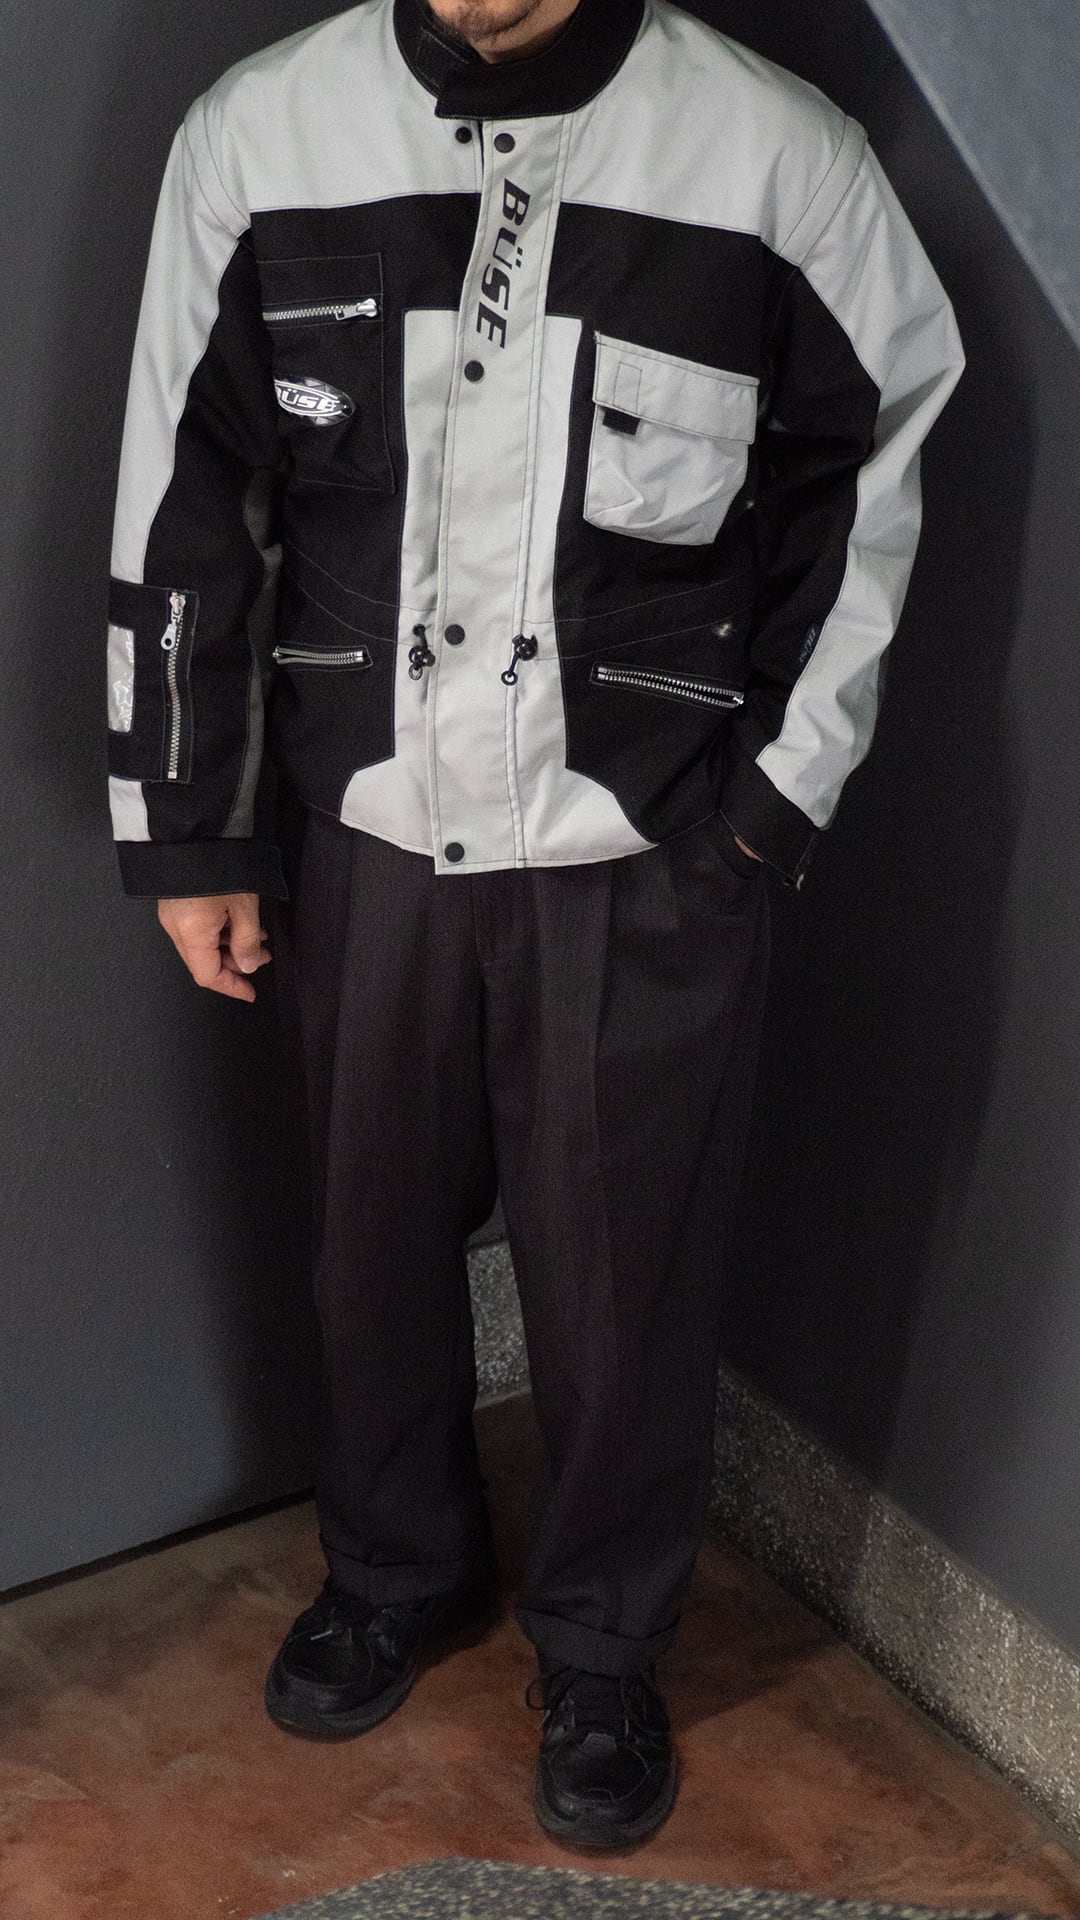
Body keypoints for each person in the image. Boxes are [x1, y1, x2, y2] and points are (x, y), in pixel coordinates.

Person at [105, 0, 963, 1850]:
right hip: (364, 823)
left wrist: (769, 804)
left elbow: (876, 467)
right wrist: (189, 833)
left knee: (624, 1280)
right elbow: (184, 491)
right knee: (365, 1245)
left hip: (645, 841)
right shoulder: (260, 136)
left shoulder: (779, 157)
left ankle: (604, 1647)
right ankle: (391, 1569)